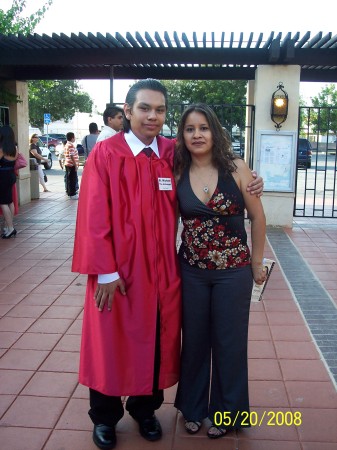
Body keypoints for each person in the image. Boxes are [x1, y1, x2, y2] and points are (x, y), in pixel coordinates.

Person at [72, 79, 264, 450]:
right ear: (127, 112)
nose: (153, 116)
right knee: (110, 341)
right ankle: (105, 418)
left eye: (160, 110)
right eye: (145, 108)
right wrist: (106, 272)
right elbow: (93, 215)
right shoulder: (106, 153)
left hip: (163, 270)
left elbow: (215, 159)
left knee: (157, 338)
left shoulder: (170, 152)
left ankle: (145, 411)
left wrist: (253, 180)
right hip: (118, 270)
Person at [173, 103, 266, 439]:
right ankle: (193, 409)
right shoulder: (177, 170)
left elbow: (258, 218)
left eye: (204, 128)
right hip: (192, 271)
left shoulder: (238, 168)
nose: (197, 135)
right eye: (189, 129)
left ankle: (229, 413)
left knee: (229, 342)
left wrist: (257, 264)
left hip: (234, 272)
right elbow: (169, 224)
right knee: (194, 340)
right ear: (182, 135)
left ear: (215, 131)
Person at [0, 125, 18, 239]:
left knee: (2, 202)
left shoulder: (2, 149)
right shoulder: (15, 147)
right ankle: (8, 226)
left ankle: (10, 228)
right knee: (9, 201)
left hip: (2, 175)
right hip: (11, 174)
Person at [64, 132, 79, 199]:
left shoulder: (67, 144)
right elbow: (71, 155)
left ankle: (70, 192)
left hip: (68, 163)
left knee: (69, 179)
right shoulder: (71, 145)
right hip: (71, 164)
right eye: (74, 137)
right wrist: (75, 165)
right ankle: (72, 194)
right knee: (72, 179)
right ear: (72, 137)